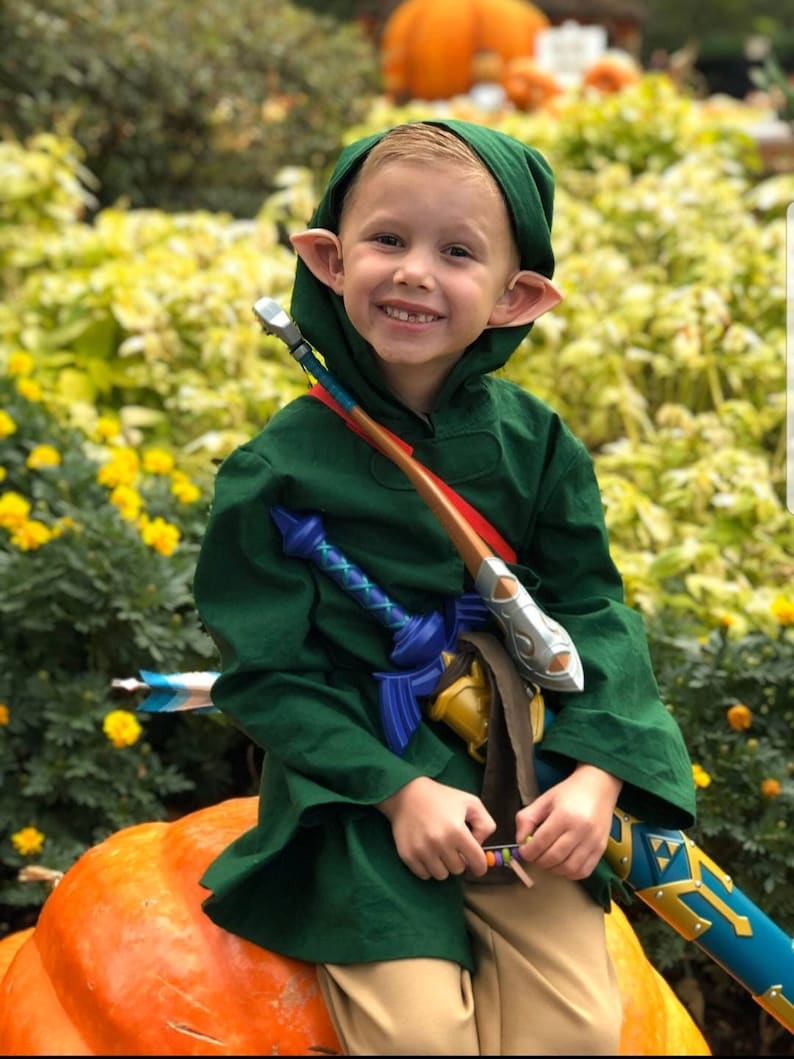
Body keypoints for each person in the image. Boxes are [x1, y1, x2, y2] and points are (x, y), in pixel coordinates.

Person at [193, 119, 696, 1056]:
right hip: (359, 792)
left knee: (579, 1034)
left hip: (521, 777)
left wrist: (597, 778)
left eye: (456, 252)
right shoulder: (275, 472)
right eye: (388, 240)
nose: (416, 271)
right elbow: (270, 676)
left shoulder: (536, 446)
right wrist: (398, 793)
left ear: (518, 297)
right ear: (328, 259)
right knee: (419, 1036)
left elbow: (592, 614)